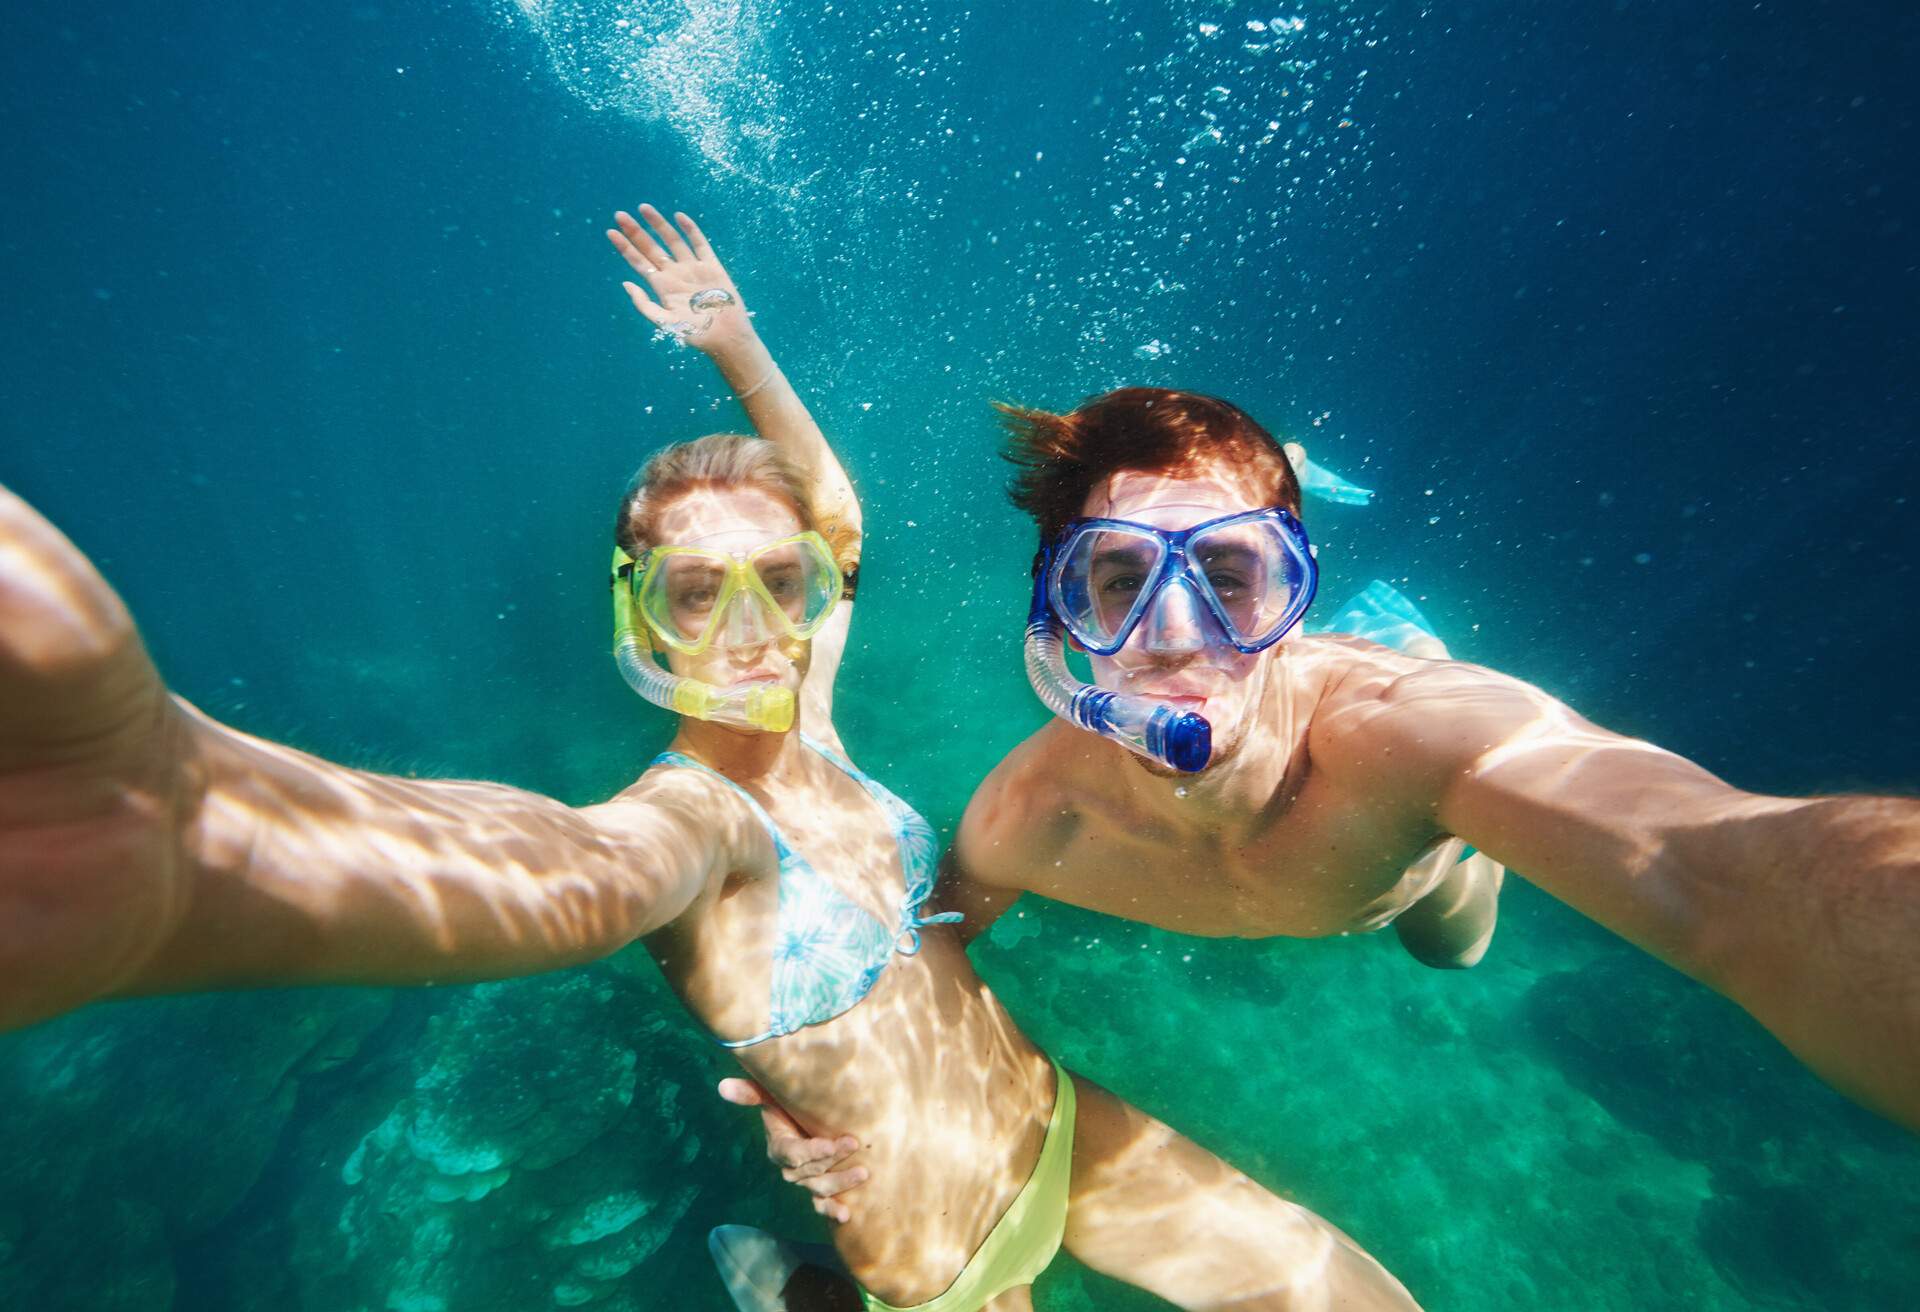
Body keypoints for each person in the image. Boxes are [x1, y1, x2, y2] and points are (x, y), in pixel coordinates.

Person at [0, 208, 1423, 1312]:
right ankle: (803, 1290)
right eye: (696, 592)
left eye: (778, 584)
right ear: (638, 613)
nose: (752, 633)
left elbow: (841, 514)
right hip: (946, 1264)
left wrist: (737, 348)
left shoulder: (811, 715)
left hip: (1063, 1123)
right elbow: (562, 876)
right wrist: (203, 838)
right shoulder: (685, 822)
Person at [746, 387, 1918, 1218]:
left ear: (1293, 601)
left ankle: (1396, 624)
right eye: (1116, 579)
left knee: (1449, 950)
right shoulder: (1033, 817)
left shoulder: (1416, 745)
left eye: (1228, 575)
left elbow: (1735, 872)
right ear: (1061, 628)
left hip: (1410, 878)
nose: (1174, 636)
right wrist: (839, 1103)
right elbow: (918, 961)